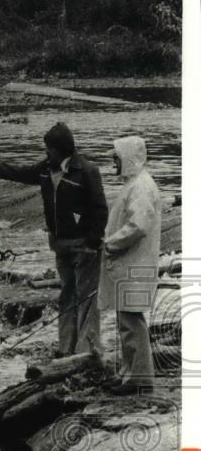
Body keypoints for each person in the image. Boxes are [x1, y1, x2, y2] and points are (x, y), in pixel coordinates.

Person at [0, 122, 108, 358]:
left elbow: (100, 210)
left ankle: (87, 351)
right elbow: (13, 172)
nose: (46, 153)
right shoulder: (44, 169)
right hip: (60, 246)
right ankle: (66, 349)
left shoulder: (87, 171)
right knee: (67, 296)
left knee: (86, 300)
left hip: (85, 248)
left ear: (62, 149)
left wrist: (93, 242)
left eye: (49, 148)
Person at [99, 136, 162, 395]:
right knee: (126, 320)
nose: (113, 161)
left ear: (127, 158)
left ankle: (141, 379)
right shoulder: (135, 184)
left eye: (116, 157)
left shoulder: (141, 187)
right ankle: (129, 374)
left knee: (132, 322)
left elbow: (138, 226)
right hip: (130, 264)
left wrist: (110, 243)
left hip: (134, 264)